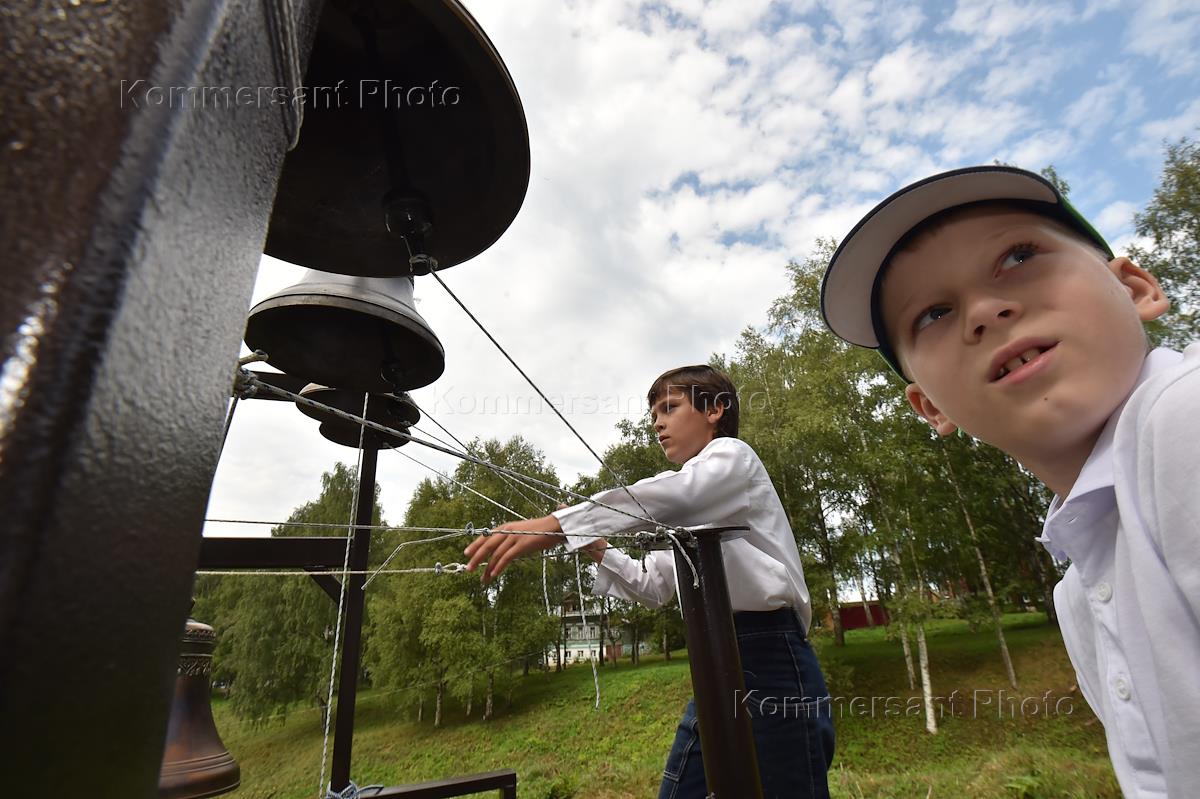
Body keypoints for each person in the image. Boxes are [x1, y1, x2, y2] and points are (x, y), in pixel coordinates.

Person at [820, 164, 1200, 797]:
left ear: (1135, 288)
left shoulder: (1183, 418)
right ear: (930, 408)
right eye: (933, 313)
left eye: (1019, 257)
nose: (984, 311)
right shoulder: (1078, 592)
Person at [463, 364, 835, 798]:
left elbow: (679, 495)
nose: (657, 423)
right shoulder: (685, 504)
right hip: (716, 661)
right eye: (654, 414)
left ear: (715, 409)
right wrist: (597, 548)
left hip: (772, 660)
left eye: (669, 407)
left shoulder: (732, 458)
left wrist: (557, 526)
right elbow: (654, 586)